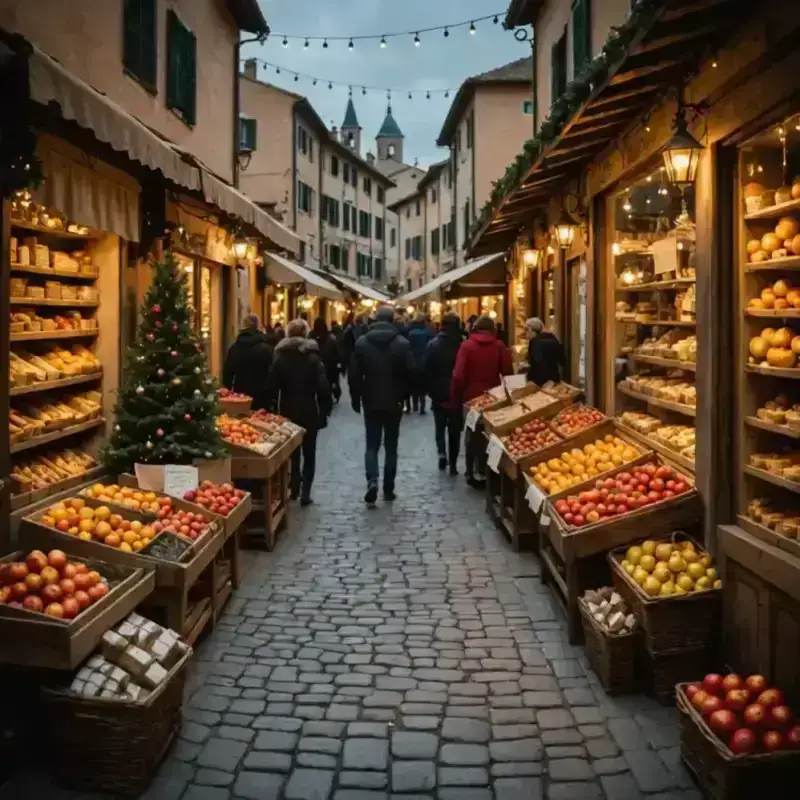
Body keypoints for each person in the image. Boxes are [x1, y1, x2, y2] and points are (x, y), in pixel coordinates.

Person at [348, 305, 413, 506]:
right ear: (392, 320)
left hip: (371, 398)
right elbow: (410, 372)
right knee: (391, 446)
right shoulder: (402, 343)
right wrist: (405, 395)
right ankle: (389, 487)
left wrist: (355, 398)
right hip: (395, 400)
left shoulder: (361, 343)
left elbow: (353, 375)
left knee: (372, 444)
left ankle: (372, 480)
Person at [265, 319, 331, 506]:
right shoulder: (312, 356)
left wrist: (271, 409)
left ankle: (294, 489)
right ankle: (306, 492)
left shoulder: (279, 356)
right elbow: (323, 387)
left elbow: (271, 385)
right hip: (310, 409)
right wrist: (324, 410)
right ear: (305, 334)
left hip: (286, 409)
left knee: (292, 453)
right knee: (309, 453)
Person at [451, 315, 513, 488]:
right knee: (491, 434)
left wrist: (457, 396)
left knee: (472, 434)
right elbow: (508, 372)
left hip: (471, 397)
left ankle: (471, 471)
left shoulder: (467, 346)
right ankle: (488, 471)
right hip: (494, 397)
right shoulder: (499, 346)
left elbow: (458, 375)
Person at [425, 313, 464, 474]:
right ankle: (453, 463)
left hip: (438, 390)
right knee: (455, 430)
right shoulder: (462, 344)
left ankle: (442, 452)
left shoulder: (433, 344)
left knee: (439, 426)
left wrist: (430, 390)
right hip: (457, 391)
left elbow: (427, 369)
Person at [222, 314, 273, 410]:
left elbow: (227, 372)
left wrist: (227, 390)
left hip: (241, 395)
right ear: (258, 326)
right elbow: (272, 373)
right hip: (262, 395)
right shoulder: (266, 349)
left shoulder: (234, 348)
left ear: (244, 326)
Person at [525, 317, 566, 386]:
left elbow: (537, 363)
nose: (526, 333)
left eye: (526, 330)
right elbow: (562, 360)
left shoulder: (535, 342)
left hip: (539, 382)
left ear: (531, 329)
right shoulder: (553, 339)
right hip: (554, 380)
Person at [407, 313, 434, 414]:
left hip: (413, 361)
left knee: (414, 385)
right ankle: (422, 408)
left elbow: (409, 347)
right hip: (423, 361)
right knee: (422, 386)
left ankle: (415, 406)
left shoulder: (411, 332)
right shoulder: (427, 332)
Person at [311, 317, 341, 403]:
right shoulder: (331, 338)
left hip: (315, 367)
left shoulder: (310, 337)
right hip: (329, 367)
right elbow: (336, 354)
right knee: (328, 384)